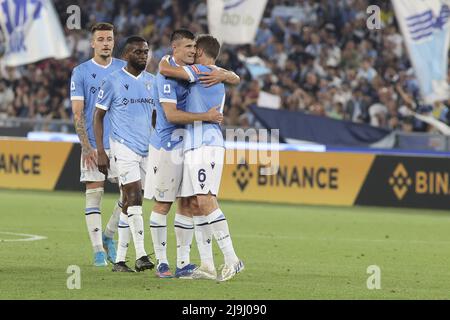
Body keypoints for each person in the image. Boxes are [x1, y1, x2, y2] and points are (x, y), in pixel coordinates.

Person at [144, 29, 239, 278]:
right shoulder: (193, 73)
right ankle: (171, 263)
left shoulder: (200, 72)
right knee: (175, 202)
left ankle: (208, 260)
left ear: (200, 53)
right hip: (171, 145)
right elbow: (171, 112)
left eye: (194, 49)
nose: (191, 52)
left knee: (197, 202)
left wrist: (227, 74)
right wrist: (229, 75)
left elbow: (170, 69)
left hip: (197, 144)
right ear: (176, 48)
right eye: (187, 47)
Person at [94, 36, 156, 273]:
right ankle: (141, 254)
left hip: (146, 147)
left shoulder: (153, 81)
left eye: (146, 51)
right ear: (127, 54)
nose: (144, 55)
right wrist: (101, 151)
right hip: (122, 146)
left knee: (129, 202)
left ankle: (120, 260)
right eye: (139, 52)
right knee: (134, 196)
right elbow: (98, 116)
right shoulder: (113, 81)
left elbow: (154, 117)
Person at [70, 22, 125, 267]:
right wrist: (86, 146)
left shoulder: (124, 69)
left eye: (109, 39)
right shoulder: (80, 72)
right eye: (101, 39)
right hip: (94, 143)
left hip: (124, 144)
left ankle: (108, 235)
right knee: (94, 194)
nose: (105, 43)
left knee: (133, 194)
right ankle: (98, 251)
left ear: (114, 42)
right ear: (92, 43)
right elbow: (78, 113)